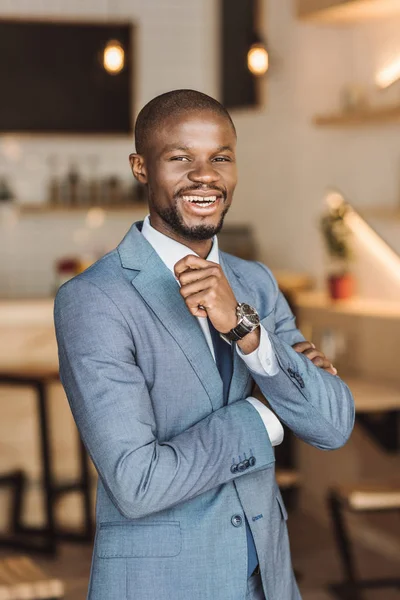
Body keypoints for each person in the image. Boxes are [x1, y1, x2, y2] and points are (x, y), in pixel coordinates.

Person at [54, 89, 355, 600]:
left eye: (220, 157)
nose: (205, 175)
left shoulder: (255, 283)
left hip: (271, 580)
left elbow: (331, 424)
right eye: (180, 158)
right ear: (140, 167)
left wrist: (247, 332)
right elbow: (138, 482)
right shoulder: (94, 299)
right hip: (163, 584)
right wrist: (263, 415)